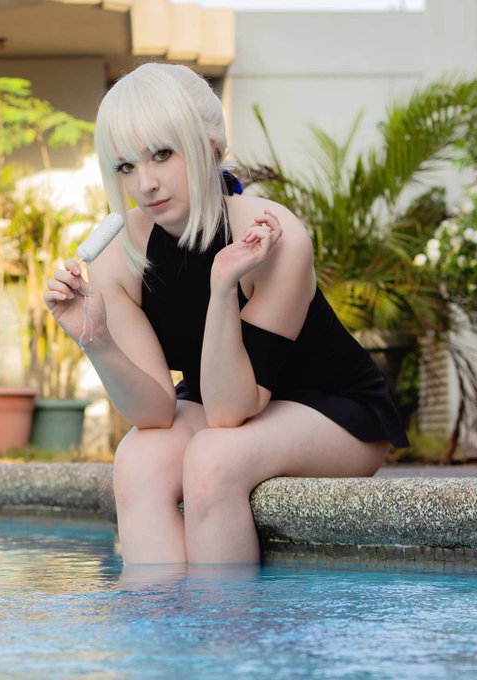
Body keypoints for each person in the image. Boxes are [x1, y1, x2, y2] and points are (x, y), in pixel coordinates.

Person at [44, 63, 408, 565]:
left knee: (213, 460)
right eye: (125, 166)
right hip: (221, 400)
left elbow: (230, 412)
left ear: (211, 147)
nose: (145, 184)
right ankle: (155, 616)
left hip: (334, 411)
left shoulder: (273, 235)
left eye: (162, 154)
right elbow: (154, 413)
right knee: (138, 457)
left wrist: (222, 291)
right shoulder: (119, 253)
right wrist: (96, 338)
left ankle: (224, 618)